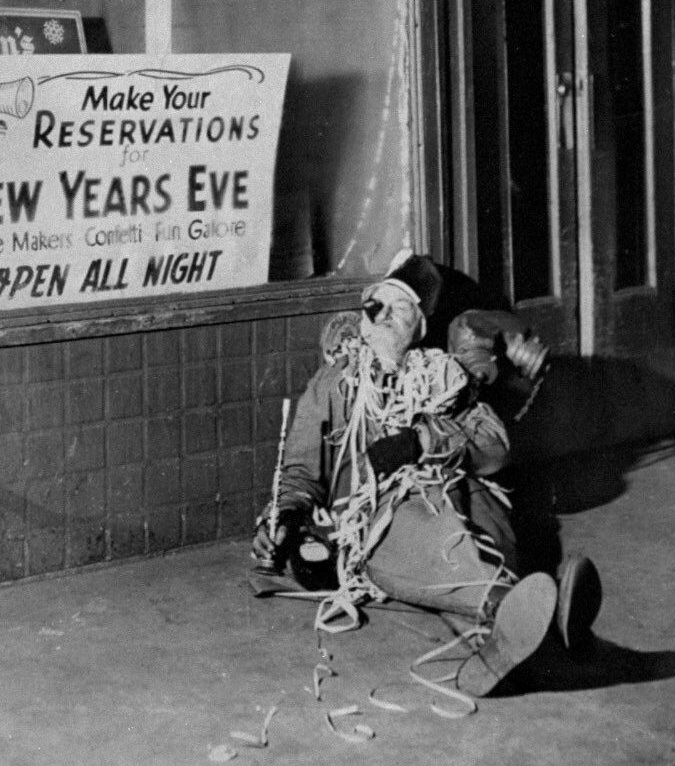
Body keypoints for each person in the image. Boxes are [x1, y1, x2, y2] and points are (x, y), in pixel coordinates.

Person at [250, 251, 602, 697]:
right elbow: (300, 470)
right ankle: (536, 623)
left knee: (469, 529)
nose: (381, 314)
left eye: (400, 309)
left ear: (417, 328)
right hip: (387, 521)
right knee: (417, 538)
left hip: (461, 495)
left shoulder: (441, 376)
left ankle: (507, 632)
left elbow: (494, 445)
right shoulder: (334, 384)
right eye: (377, 302)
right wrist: (283, 517)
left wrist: (421, 441)